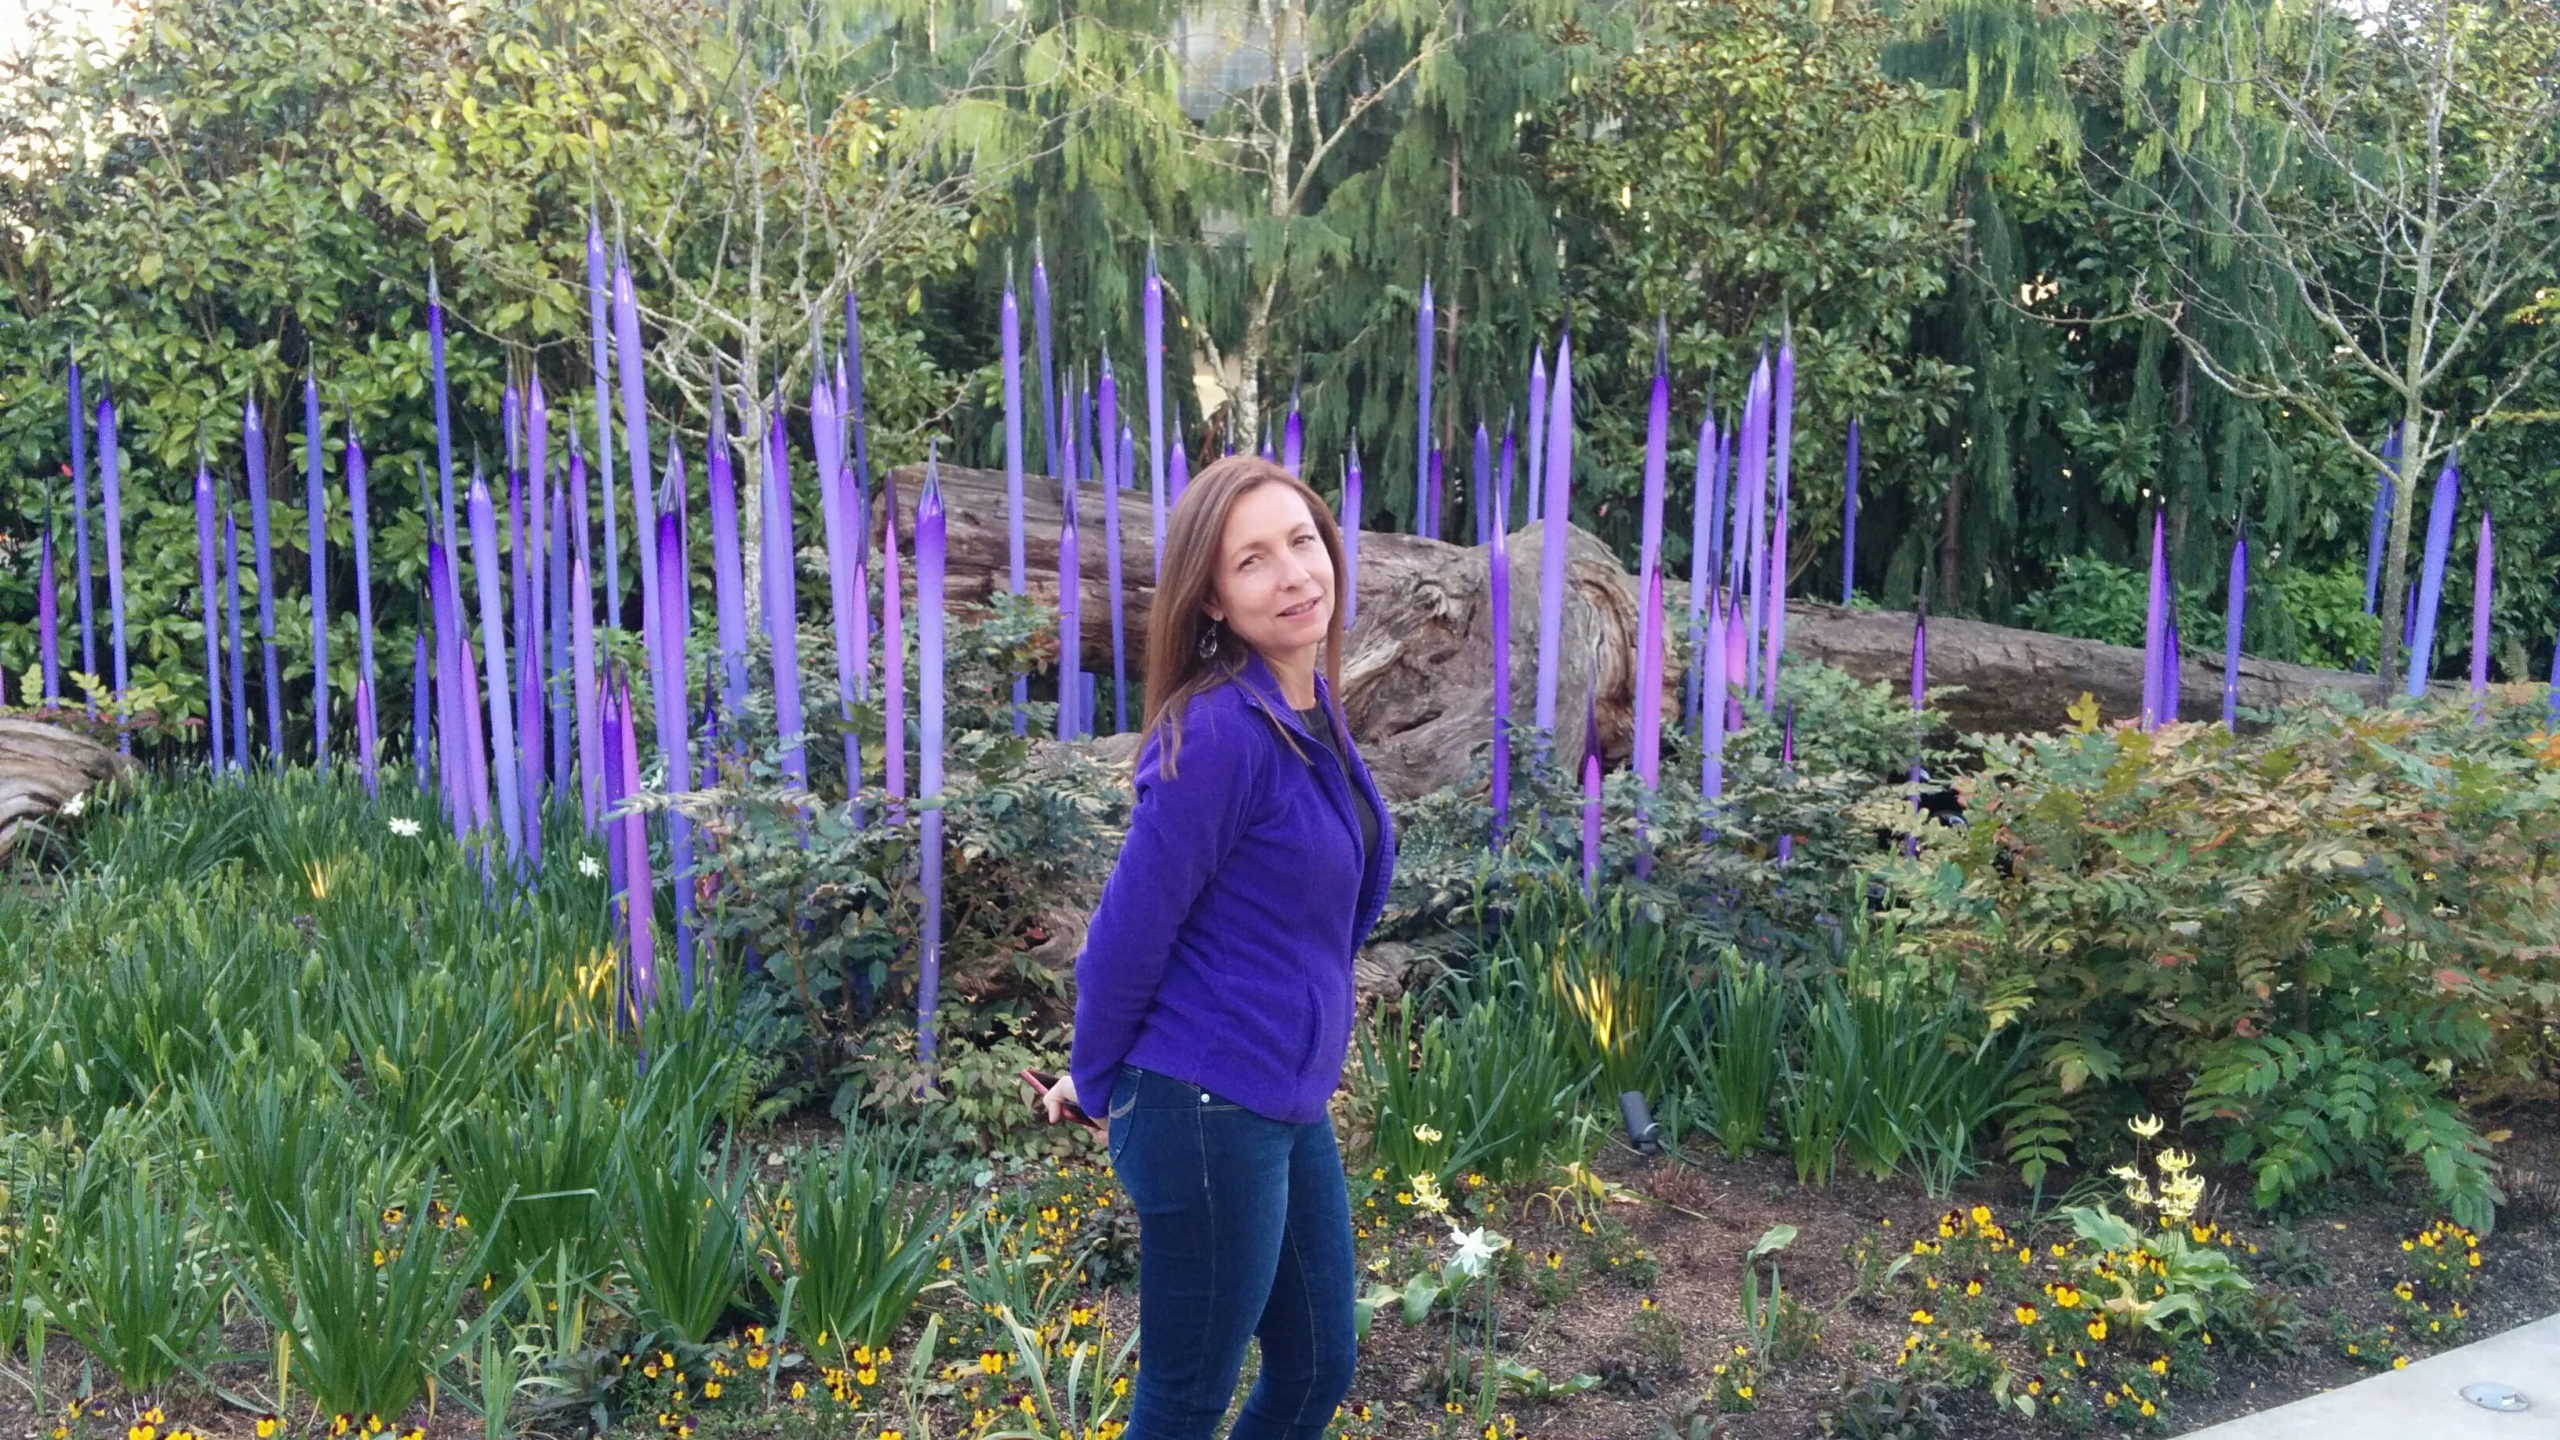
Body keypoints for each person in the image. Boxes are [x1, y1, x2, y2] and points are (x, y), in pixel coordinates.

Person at [1032, 455, 1395, 1440]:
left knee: (1316, 1366)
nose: (1293, 574)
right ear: (1212, 600)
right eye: (1252, 561)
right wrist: (1099, 1081)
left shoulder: (1304, 707)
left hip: (1278, 1097)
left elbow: (1311, 918)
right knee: (1184, 1403)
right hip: (1207, 1108)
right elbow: (1125, 937)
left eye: (1302, 541)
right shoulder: (1220, 733)